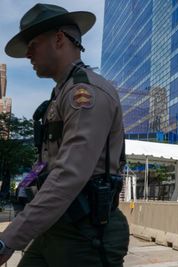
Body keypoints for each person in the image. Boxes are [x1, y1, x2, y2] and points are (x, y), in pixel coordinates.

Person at [1, 4, 129, 267]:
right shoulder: (62, 94)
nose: (27, 54)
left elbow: (70, 173)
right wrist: (26, 186)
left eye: (33, 44)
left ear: (59, 39)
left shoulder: (85, 94)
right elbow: (48, 163)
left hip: (87, 237)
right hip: (56, 226)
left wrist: (10, 238)